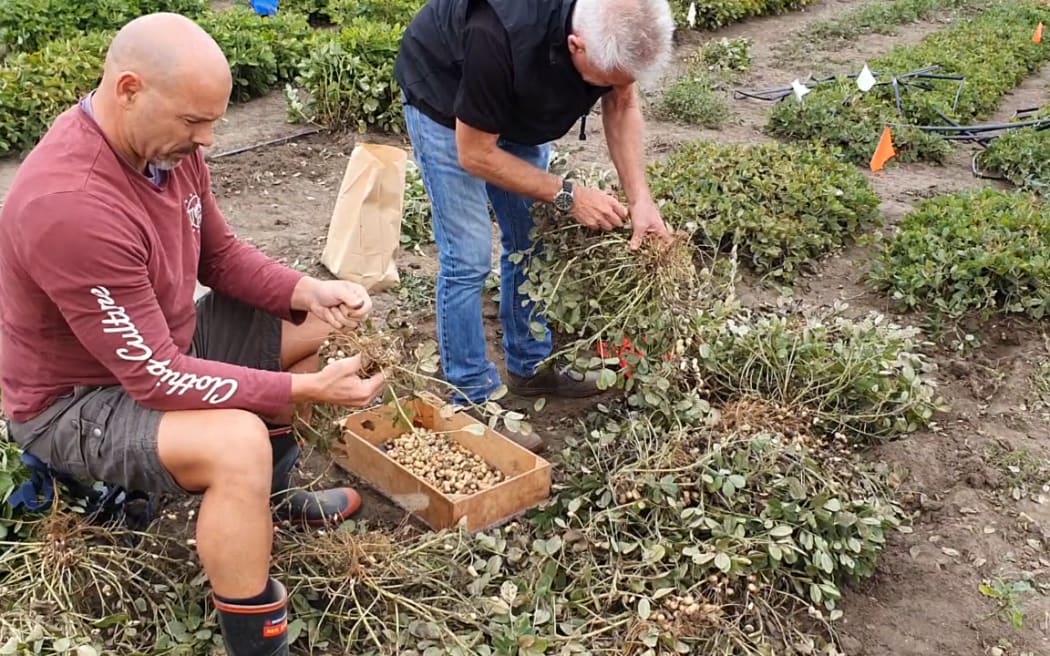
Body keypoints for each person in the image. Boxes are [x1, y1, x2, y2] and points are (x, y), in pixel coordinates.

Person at [0, 13, 387, 656]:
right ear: (128, 89)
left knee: (308, 323)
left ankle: (274, 502)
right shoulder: (71, 204)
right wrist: (303, 388)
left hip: (161, 348)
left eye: (214, 122)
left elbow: (221, 258)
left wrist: (308, 291)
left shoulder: (164, 153)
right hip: (78, 402)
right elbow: (155, 376)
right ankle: (256, 642)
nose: (207, 140)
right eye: (192, 122)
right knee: (239, 444)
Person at [394, 0, 676, 452]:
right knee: (467, 257)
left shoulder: (611, 23)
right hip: (450, 105)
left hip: (517, 103)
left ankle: (530, 366)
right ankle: (471, 395)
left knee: (533, 241)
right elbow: (477, 154)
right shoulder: (497, 33)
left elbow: (622, 100)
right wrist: (567, 194)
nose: (608, 89)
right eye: (601, 79)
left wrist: (641, 199)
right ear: (574, 45)